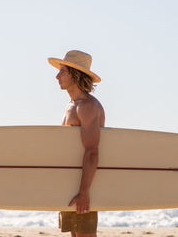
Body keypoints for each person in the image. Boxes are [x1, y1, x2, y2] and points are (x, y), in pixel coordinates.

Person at [48, 50, 105, 237]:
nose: (57, 76)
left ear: (75, 74)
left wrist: (84, 192)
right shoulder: (71, 106)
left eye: (62, 71)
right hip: (70, 184)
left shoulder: (88, 107)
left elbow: (92, 152)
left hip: (84, 185)